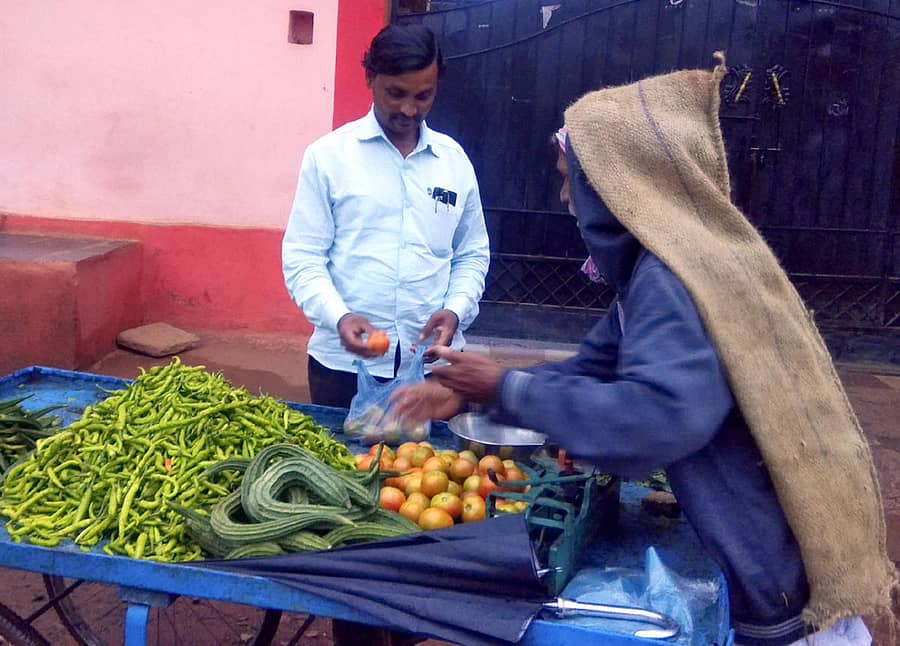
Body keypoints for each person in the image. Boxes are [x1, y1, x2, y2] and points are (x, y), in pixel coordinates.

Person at [389, 54, 897, 645]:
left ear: (614, 189)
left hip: (779, 585)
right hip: (763, 556)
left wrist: (504, 388)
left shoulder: (671, 281)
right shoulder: (654, 275)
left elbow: (658, 417)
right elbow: (594, 370)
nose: (563, 199)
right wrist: (482, 395)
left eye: (569, 181)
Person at [282, 23, 490, 409]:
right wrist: (339, 316)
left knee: (435, 468)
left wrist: (456, 309)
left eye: (423, 96)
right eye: (396, 94)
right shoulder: (328, 157)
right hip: (342, 368)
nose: (409, 109)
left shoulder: (454, 161)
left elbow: (472, 253)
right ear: (370, 78)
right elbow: (303, 257)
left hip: (433, 368)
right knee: (340, 466)